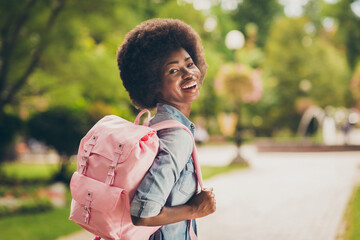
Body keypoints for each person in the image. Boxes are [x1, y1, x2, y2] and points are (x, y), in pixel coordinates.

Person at [116, 18, 216, 239]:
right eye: (173, 71)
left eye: (189, 64)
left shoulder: (154, 126)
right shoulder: (176, 136)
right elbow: (143, 214)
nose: (189, 73)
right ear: (153, 84)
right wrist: (195, 209)